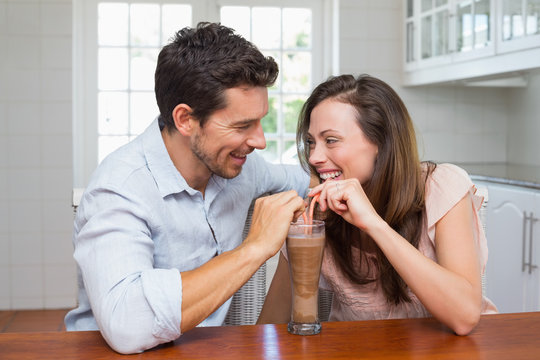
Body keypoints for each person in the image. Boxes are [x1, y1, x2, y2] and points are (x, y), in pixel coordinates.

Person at [65, 22, 309, 354]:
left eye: (261, 121)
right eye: (242, 125)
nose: (260, 140)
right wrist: (255, 247)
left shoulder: (242, 169)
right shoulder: (118, 190)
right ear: (185, 119)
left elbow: (305, 181)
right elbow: (127, 327)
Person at [257, 74, 497, 334]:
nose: (314, 157)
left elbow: (463, 317)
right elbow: (270, 324)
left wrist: (373, 224)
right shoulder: (315, 217)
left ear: (381, 144)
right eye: (310, 142)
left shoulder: (439, 187)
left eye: (331, 140)